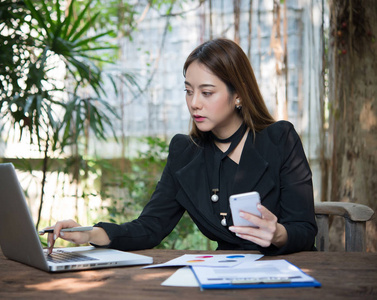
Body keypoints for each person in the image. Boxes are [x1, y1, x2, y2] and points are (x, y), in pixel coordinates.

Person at [43, 38, 317, 255]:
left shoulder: (279, 139)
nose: (194, 102)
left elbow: (304, 229)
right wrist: (90, 233)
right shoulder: (185, 153)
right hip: (223, 274)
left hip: (283, 270)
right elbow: (150, 227)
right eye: (188, 90)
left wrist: (278, 234)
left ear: (239, 95)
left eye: (206, 92)